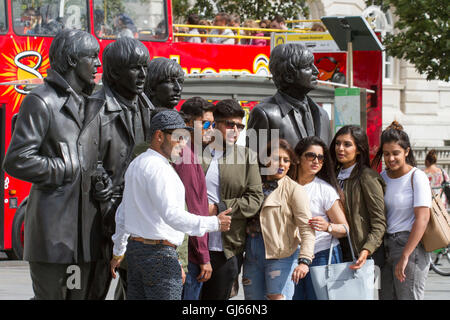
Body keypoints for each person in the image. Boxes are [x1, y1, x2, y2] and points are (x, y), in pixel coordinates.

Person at [3, 29, 103, 299]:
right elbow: (16, 159)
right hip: (53, 233)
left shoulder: (90, 102)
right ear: (72, 60)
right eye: (91, 56)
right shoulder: (40, 100)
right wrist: (65, 168)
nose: (98, 63)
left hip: (83, 236)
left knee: (76, 296)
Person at [110, 110, 232, 300]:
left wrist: (119, 251)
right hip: (159, 255)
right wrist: (214, 223)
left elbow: (123, 213)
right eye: (179, 137)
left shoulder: (137, 164)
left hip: (137, 254)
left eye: (185, 138)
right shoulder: (161, 169)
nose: (184, 144)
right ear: (159, 136)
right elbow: (173, 216)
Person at [87, 37, 154, 300]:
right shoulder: (95, 106)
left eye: (145, 67)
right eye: (135, 68)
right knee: (95, 289)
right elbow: (87, 159)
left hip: (138, 217)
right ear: (114, 71)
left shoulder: (145, 106)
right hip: (102, 218)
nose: (142, 75)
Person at [200, 99, 265, 300]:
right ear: (215, 124)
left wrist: (220, 208)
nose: (235, 130)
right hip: (194, 244)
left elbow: (255, 199)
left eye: (240, 126)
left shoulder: (247, 157)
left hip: (227, 248)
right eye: (230, 124)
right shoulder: (194, 154)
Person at [243, 139, 315, 300]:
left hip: (282, 255)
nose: (281, 164)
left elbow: (306, 228)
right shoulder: (253, 185)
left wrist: (305, 260)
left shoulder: (294, 190)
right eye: (276, 158)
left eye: (286, 160)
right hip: (252, 252)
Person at [372, 121, 431, 300]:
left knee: (409, 296)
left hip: (409, 245)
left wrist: (406, 255)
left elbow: (422, 219)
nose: (391, 159)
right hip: (385, 246)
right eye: (386, 154)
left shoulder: (417, 177)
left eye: (396, 153)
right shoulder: (382, 178)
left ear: (406, 151)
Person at [247, 42, 332, 163]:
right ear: (288, 76)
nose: (316, 71)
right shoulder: (265, 114)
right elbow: (254, 164)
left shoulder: (322, 115)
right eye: (307, 67)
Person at [292, 136, 349, 300]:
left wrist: (327, 226)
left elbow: (345, 229)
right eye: (311, 156)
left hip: (322, 254)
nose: (316, 161)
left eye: (321, 157)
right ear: (298, 157)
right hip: (291, 255)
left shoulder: (325, 189)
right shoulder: (287, 185)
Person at [175, 97, 216, 300]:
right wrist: (203, 257)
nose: (211, 129)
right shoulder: (185, 156)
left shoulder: (190, 153)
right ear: (188, 124)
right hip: (189, 257)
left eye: (213, 124)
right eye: (206, 124)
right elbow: (192, 210)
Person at [330, 125, 386, 272]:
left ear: (359, 149)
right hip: (335, 251)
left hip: (361, 253)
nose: (340, 148)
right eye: (337, 143)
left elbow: (379, 222)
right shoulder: (332, 176)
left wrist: (367, 249)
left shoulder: (367, 177)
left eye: (347, 144)